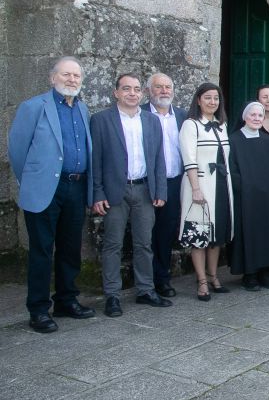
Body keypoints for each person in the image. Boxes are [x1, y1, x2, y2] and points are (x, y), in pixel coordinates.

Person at [8, 57, 95, 333]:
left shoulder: (82, 109)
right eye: (66, 75)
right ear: (52, 78)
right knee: (42, 251)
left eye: (76, 76)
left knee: (70, 249)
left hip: (76, 187)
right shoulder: (33, 107)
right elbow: (17, 150)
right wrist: (33, 181)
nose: (72, 80)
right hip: (46, 189)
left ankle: (66, 300)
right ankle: (38, 309)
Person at [91, 74, 170, 318]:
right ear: (116, 92)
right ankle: (112, 295)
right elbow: (95, 161)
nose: (132, 93)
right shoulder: (101, 120)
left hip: (144, 190)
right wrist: (97, 192)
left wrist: (160, 190)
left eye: (136, 89)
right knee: (113, 244)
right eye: (126, 89)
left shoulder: (151, 121)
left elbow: (159, 159)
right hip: (116, 191)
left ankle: (145, 290)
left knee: (144, 244)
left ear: (142, 93)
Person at [179, 83, 234, 301]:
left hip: (220, 187)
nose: (213, 102)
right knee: (199, 234)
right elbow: (189, 159)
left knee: (216, 235)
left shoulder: (222, 125)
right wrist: (195, 189)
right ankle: (201, 281)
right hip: (200, 186)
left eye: (216, 98)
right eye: (208, 98)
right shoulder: (191, 125)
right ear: (199, 100)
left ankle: (213, 276)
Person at [229, 102, 269, 290]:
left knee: (268, 233)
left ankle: (266, 272)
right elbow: (232, 170)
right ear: (245, 117)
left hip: (268, 198)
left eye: (260, 116)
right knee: (249, 234)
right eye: (252, 115)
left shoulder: (267, 140)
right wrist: (244, 188)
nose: (256, 118)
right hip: (246, 198)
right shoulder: (234, 140)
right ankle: (250, 274)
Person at [142, 73, 187, 298]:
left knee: (165, 233)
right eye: (158, 87)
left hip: (174, 182)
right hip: (146, 184)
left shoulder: (182, 116)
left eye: (168, 87)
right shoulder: (139, 114)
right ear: (149, 90)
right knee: (143, 233)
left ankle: (162, 278)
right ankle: (145, 282)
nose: (164, 91)